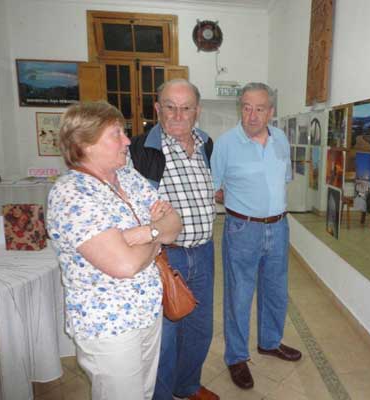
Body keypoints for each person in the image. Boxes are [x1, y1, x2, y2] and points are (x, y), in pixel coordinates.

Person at [47, 101, 182, 400]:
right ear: (85, 144)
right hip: (110, 327)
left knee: (143, 394)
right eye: (116, 134)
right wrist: (158, 234)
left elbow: (175, 223)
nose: (126, 141)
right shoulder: (71, 194)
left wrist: (146, 233)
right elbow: (125, 265)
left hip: (148, 312)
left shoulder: (129, 178)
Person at [129, 79, 219, 400]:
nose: (177, 114)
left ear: (197, 111)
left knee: (200, 328)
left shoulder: (208, 145)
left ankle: (187, 386)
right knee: (166, 336)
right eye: (170, 106)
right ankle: (162, 395)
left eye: (186, 108)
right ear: (157, 108)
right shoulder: (140, 150)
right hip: (166, 256)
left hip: (205, 251)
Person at [211, 82, 302, 390]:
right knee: (239, 294)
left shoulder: (282, 141)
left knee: (276, 290)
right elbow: (214, 186)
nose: (251, 115)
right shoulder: (225, 144)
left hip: (278, 226)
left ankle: (270, 341)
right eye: (246, 107)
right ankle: (236, 356)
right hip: (242, 228)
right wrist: (234, 198)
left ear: (270, 112)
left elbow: (283, 179)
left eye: (259, 108)